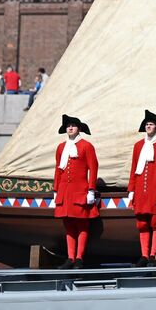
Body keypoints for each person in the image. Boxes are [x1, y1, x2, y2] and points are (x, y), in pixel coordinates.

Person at [128, 109, 156, 267]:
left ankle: (153, 255)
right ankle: (144, 255)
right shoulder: (138, 146)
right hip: (141, 191)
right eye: (146, 124)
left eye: (151, 124)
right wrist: (131, 189)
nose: (148, 126)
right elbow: (134, 168)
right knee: (142, 223)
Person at [53, 114, 98, 269]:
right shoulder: (61, 147)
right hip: (64, 192)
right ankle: (70, 258)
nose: (70, 128)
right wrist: (55, 189)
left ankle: (79, 258)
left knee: (82, 225)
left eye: (73, 126)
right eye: (68, 126)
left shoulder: (86, 146)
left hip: (80, 191)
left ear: (79, 129)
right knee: (69, 226)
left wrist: (91, 189)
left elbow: (93, 168)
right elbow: (58, 169)